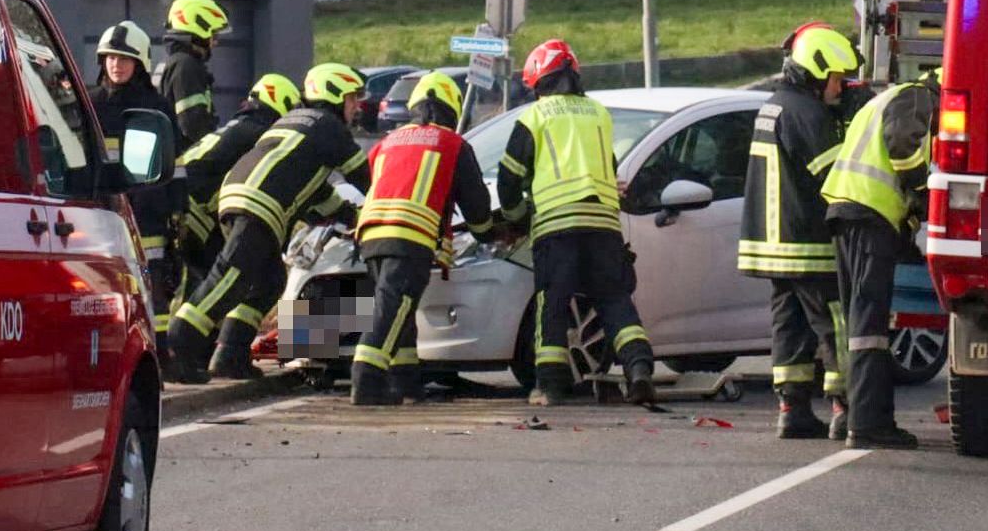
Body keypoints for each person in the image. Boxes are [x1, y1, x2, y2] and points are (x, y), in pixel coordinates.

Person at [168, 63, 370, 382]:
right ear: (333, 94)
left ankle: (229, 354)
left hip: (241, 196)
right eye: (352, 98)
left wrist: (351, 217)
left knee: (269, 280)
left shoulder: (298, 125)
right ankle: (180, 342)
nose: (357, 107)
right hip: (258, 206)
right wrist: (380, 210)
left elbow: (316, 193)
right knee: (230, 275)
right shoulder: (328, 126)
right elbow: (366, 176)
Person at [496, 39, 656, 407]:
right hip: (603, 223)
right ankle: (639, 370)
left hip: (556, 224)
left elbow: (508, 180)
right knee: (615, 299)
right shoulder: (598, 113)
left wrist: (518, 220)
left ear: (538, 82)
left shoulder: (534, 117)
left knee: (552, 303)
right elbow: (610, 168)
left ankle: (550, 386)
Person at [740, 23, 861, 440]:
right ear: (816, 69)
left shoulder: (774, 104)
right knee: (835, 323)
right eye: (837, 79)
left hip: (772, 245)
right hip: (807, 242)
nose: (841, 89)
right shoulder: (807, 114)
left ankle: (792, 409)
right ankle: (846, 406)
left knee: (788, 324)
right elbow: (832, 176)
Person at [351, 72, 496, 405]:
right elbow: (475, 204)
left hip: (371, 234)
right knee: (392, 311)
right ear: (451, 110)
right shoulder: (452, 143)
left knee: (400, 310)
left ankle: (406, 382)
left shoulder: (386, 142)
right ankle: (366, 380)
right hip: (409, 236)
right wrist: (488, 233)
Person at [820, 66, 941, 450]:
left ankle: (855, 416)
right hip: (868, 215)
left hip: (850, 212)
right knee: (870, 325)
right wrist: (923, 192)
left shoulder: (885, 98)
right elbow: (902, 144)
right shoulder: (918, 97)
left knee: (861, 320)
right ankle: (869, 424)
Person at [90, 20, 181, 357]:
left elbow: (176, 163)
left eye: (125, 59)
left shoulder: (154, 107)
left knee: (153, 285)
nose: (116, 64)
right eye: (111, 57)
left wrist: (176, 209)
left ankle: (159, 355)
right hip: (100, 210)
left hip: (147, 213)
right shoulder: (89, 103)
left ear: (139, 63)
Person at [176, 73, 302, 312]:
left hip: (179, 199)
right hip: (192, 205)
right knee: (218, 281)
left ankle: (188, 335)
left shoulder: (240, 126)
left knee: (204, 279)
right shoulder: (262, 136)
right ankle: (189, 338)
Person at [157, 0, 229, 146]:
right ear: (200, 29)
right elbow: (194, 126)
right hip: (182, 161)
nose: (215, 42)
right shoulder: (186, 66)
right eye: (213, 34)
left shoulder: (173, 61)